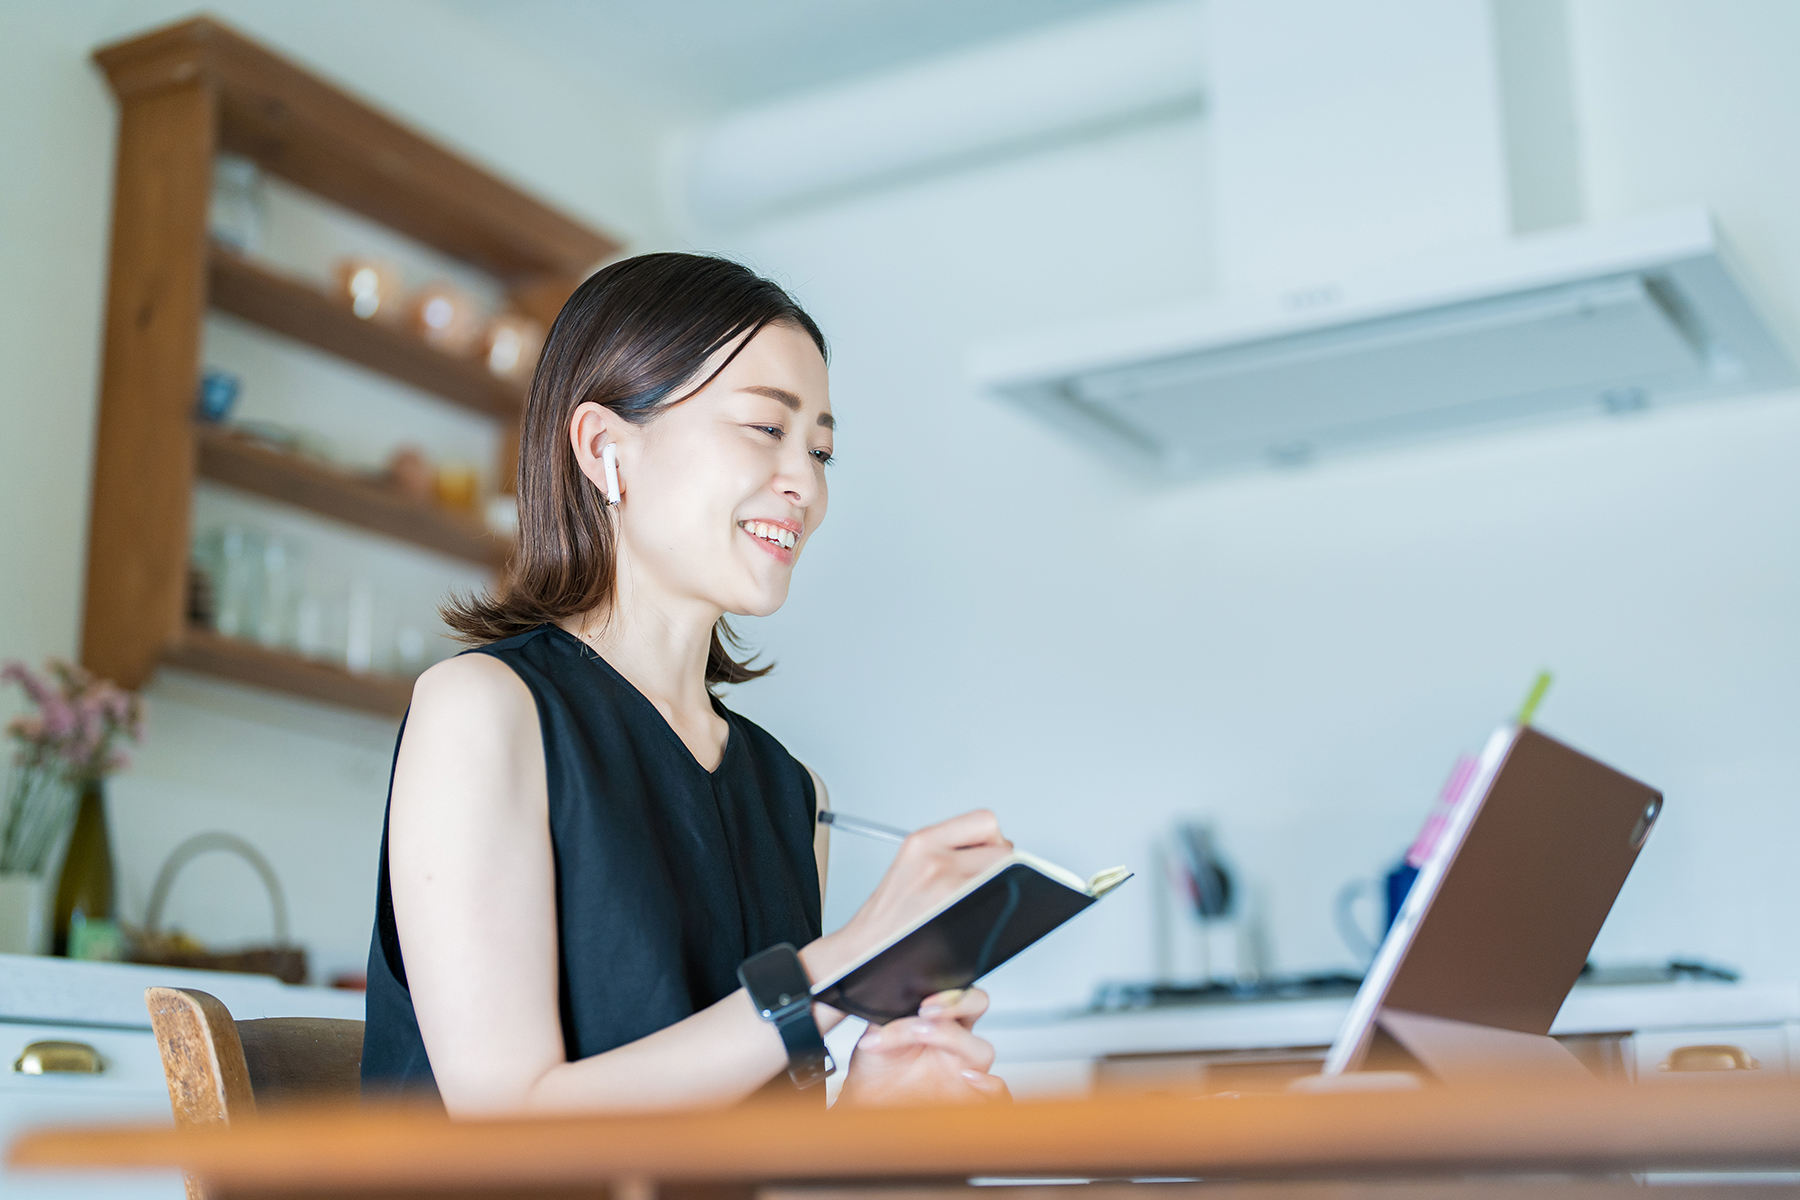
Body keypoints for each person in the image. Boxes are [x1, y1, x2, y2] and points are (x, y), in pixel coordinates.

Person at [362, 253, 1014, 1113]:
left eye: (821, 448)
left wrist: (868, 1112)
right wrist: (839, 966)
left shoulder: (789, 793)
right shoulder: (483, 710)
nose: (807, 485)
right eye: (765, 429)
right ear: (605, 450)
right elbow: (509, 1121)